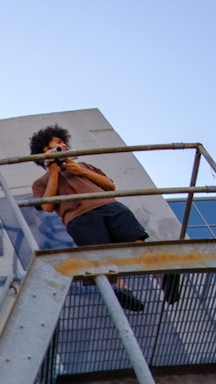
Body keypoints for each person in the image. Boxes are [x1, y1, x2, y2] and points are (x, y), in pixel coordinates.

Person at [29, 124, 160, 308]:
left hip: (108, 206)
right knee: (102, 255)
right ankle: (122, 289)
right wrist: (54, 173)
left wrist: (80, 170)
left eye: (64, 143)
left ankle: (161, 274)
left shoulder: (83, 166)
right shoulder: (40, 183)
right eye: (58, 143)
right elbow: (48, 206)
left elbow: (110, 185)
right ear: (45, 149)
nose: (64, 145)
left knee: (135, 238)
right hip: (79, 219)